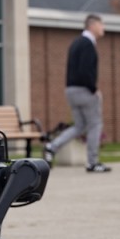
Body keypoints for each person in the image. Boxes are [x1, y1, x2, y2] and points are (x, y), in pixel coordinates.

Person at [43, 14, 111, 173]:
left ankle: (52, 147)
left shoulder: (76, 43)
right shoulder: (87, 44)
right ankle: (92, 162)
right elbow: (85, 70)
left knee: (80, 126)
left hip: (71, 90)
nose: (103, 28)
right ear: (92, 25)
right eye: (102, 25)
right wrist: (94, 90)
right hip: (84, 90)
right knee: (95, 124)